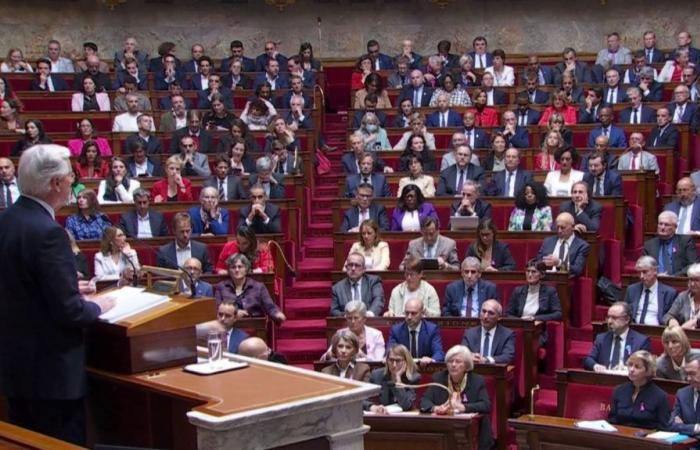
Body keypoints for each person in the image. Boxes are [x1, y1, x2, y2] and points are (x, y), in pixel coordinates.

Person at [0, 144, 115, 445]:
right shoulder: (49, 233)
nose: (72, 183)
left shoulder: (7, 220)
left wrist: (67, 286)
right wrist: (97, 305)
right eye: (69, 177)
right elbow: (71, 312)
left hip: (16, 370)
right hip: (52, 378)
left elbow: (19, 283)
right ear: (55, 184)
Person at [419, 345, 494, 450]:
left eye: (458, 362)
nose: (453, 365)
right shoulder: (438, 378)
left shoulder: (477, 380)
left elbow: (486, 405)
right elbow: (424, 401)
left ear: (466, 366)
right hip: (444, 433)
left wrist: (463, 407)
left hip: (474, 435)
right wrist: (435, 408)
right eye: (450, 361)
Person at [214, 254, 285, 324]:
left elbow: (269, 306)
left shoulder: (258, 287)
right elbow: (218, 307)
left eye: (240, 267)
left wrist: (277, 314)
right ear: (229, 270)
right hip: (229, 325)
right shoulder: (221, 287)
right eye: (233, 267)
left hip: (254, 325)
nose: (237, 270)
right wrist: (235, 312)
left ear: (246, 269)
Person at [608, 350, 670, 430]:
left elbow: (663, 427)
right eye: (630, 365)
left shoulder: (660, 396)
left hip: (645, 440)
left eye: (637, 367)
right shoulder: (619, 390)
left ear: (648, 371)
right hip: (620, 438)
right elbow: (612, 420)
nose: (632, 369)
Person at [583, 302, 651, 372]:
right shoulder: (601, 338)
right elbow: (588, 360)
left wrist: (627, 369)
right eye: (608, 317)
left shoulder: (641, 341)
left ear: (626, 320)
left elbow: (645, 368)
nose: (609, 321)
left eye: (614, 318)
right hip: (604, 379)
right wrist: (595, 365)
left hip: (628, 380)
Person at [506, 259, 563, 335]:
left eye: (533, 272)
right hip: (519, 329)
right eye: (528, 271)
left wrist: (535, 318)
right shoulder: (518, 291)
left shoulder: (550, 291)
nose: (529, 275)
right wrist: (520, 321)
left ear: (542, 274)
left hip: (537, 331)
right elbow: (508, 314)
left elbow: (558, 314)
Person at [388, 298, 444, 366]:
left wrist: (431, 360)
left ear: (422, 313)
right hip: (403, 369)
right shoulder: (396, 330)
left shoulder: (432, 330)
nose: (409, 317)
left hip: (424, 368)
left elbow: (438, 353)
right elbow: (390, 350)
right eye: (407, 313)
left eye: (413, 313)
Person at [364, 345, 420, 413]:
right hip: (382, 418)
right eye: (391, 360)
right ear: (387, 361)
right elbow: (362, 400)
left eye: (398, 361)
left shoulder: (413, 378)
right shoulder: (377, 375)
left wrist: (398, 380)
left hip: (404, 420)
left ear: (406, 362)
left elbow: (406, 405)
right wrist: (372, 407)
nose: (394, 365)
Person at [624, 256, 677, 326]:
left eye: (645, 272)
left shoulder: (669, 293)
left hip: (657, 331)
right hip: (634, 329)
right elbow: (625, 312)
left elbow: (670, 317)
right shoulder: (632, 289)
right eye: (639, 273)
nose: (641, 276)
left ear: (655, 271)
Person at [536, 212, 591, 276]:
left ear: (573, 227)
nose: (559, 231)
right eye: (558, 227)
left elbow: (577, 270)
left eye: (563, 227)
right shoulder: (548, 241)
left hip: (566, 282)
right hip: (545, 279)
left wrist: (559, 263)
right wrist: (543, 264)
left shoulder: (582, 246)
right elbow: (538, 261)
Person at [643, 211, 697, 276]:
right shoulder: (649, 245)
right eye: (660, 224)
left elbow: (693, 265)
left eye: (666, 225)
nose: (662, 227)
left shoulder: (685, 241)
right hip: (656, 281)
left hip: (678, 281)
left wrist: (673, 277)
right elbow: (644, 266)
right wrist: (656, 275)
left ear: (675, 227)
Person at [330, 252, 384, 317]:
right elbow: (334, 310)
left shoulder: (373, 281)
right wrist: (346, 315)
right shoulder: (337, 288)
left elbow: (378, 300)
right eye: (350, 265)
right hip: (348, 323)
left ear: (364, 269)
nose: (353, 268)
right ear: (346, 268)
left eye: (357, 265)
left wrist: (369, 314)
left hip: (369, 321)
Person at [461, 299, 515, 364]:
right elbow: (462, 352)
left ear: (499, 317)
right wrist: (470, 356)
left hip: (496, 372)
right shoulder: (470, 333)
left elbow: (508, 356)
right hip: (474, 370)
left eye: (491, 313)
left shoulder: (507, 334)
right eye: (483, 311)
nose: (485, 316)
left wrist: (487, 360)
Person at [669, 354, 700, 437]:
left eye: (692, 373)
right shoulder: (682, 393)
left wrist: (684, 427)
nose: (688, 378)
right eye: (687, 374)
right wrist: (696, 428)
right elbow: (671, 425)